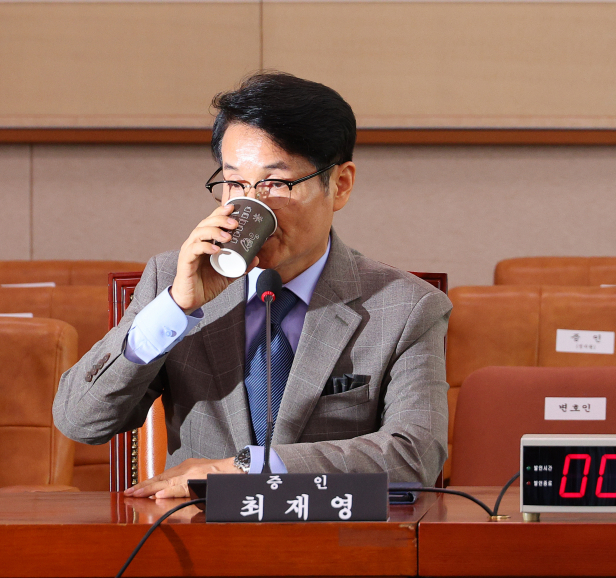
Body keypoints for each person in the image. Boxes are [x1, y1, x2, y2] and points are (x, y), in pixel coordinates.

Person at [53, 72, 451, 497]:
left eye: (276, 182)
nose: (252, 203)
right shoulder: (171, 281)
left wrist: (253, 469)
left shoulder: (405, 306)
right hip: (199, 543)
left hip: (332, 545)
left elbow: (415, 454)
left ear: (340, 184)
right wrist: (175, 307)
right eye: (236, 183)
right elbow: (80, 421)